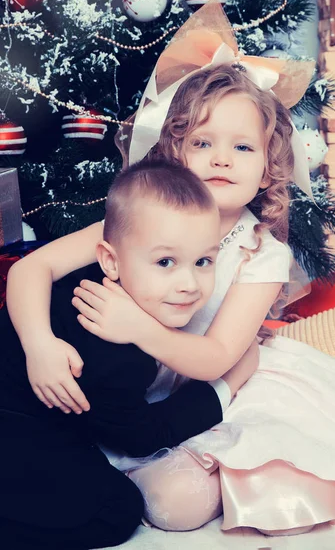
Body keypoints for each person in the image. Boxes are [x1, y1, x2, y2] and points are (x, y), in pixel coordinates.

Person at [7, 2, 335, 537]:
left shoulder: (262, 250)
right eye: (202, 143)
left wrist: (138, 327)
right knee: (110, 473)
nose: (221, 159)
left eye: (241, 147)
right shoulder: (141, 220)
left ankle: (218, 469)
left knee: (180, 506)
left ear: (269, 166)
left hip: (217, 373)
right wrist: (41, 346)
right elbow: (33, 268)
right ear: (174, 151)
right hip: (133, 390)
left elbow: (216, 355)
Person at [0, 161, 258, 550]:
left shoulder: (84, 277)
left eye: (203, 262)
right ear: (111, 260)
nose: (189, 285)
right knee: (116, 508)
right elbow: (144, 436)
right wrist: (226, 383)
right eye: (165, 263)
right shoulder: (118, 357)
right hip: (16, 428)